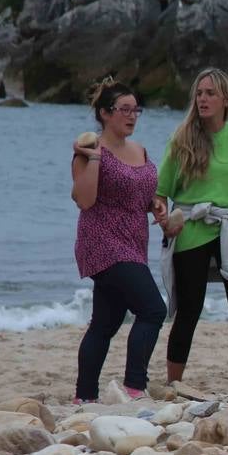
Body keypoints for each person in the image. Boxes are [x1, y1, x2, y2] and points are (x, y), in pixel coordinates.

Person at [155, 67, 228, 389]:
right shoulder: (182, 139)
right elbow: (161, 194)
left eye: (210, 93)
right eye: (199, 93)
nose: (202, 99)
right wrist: (163, 219)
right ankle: (175, 383)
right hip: (191, 228)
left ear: (225, 99)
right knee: (189, 310)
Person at [70, 78, 167, 403]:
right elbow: (84, 200)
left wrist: (154, 203)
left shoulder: (139, 150)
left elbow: (140, 193)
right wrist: (94, 158)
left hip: (133, 243)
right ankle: (134, 386)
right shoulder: (89, 150)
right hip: (101, 242)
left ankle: (84, 397)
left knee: (105, 323)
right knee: (153, 309)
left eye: (135, 109)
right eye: (124, 109)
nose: (132, 115)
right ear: (104, 113)